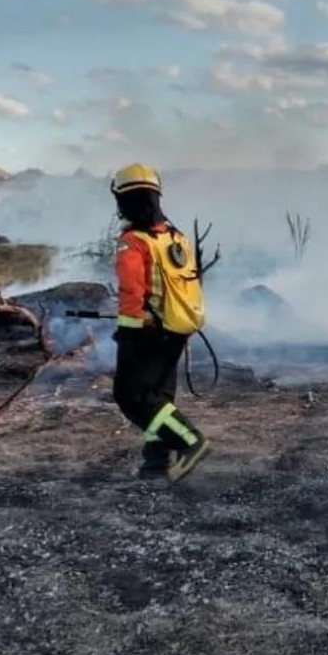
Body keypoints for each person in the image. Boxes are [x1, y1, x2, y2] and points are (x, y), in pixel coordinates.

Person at [110, 163, 211, 482]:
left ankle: (189, 441)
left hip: (147, 333)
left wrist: (127, 333)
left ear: (124, 199)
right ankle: (155, 464)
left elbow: (131, 292)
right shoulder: (175, 238)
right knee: (158, 396)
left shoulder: (134, 242)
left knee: (132, 397)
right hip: (176, 329)